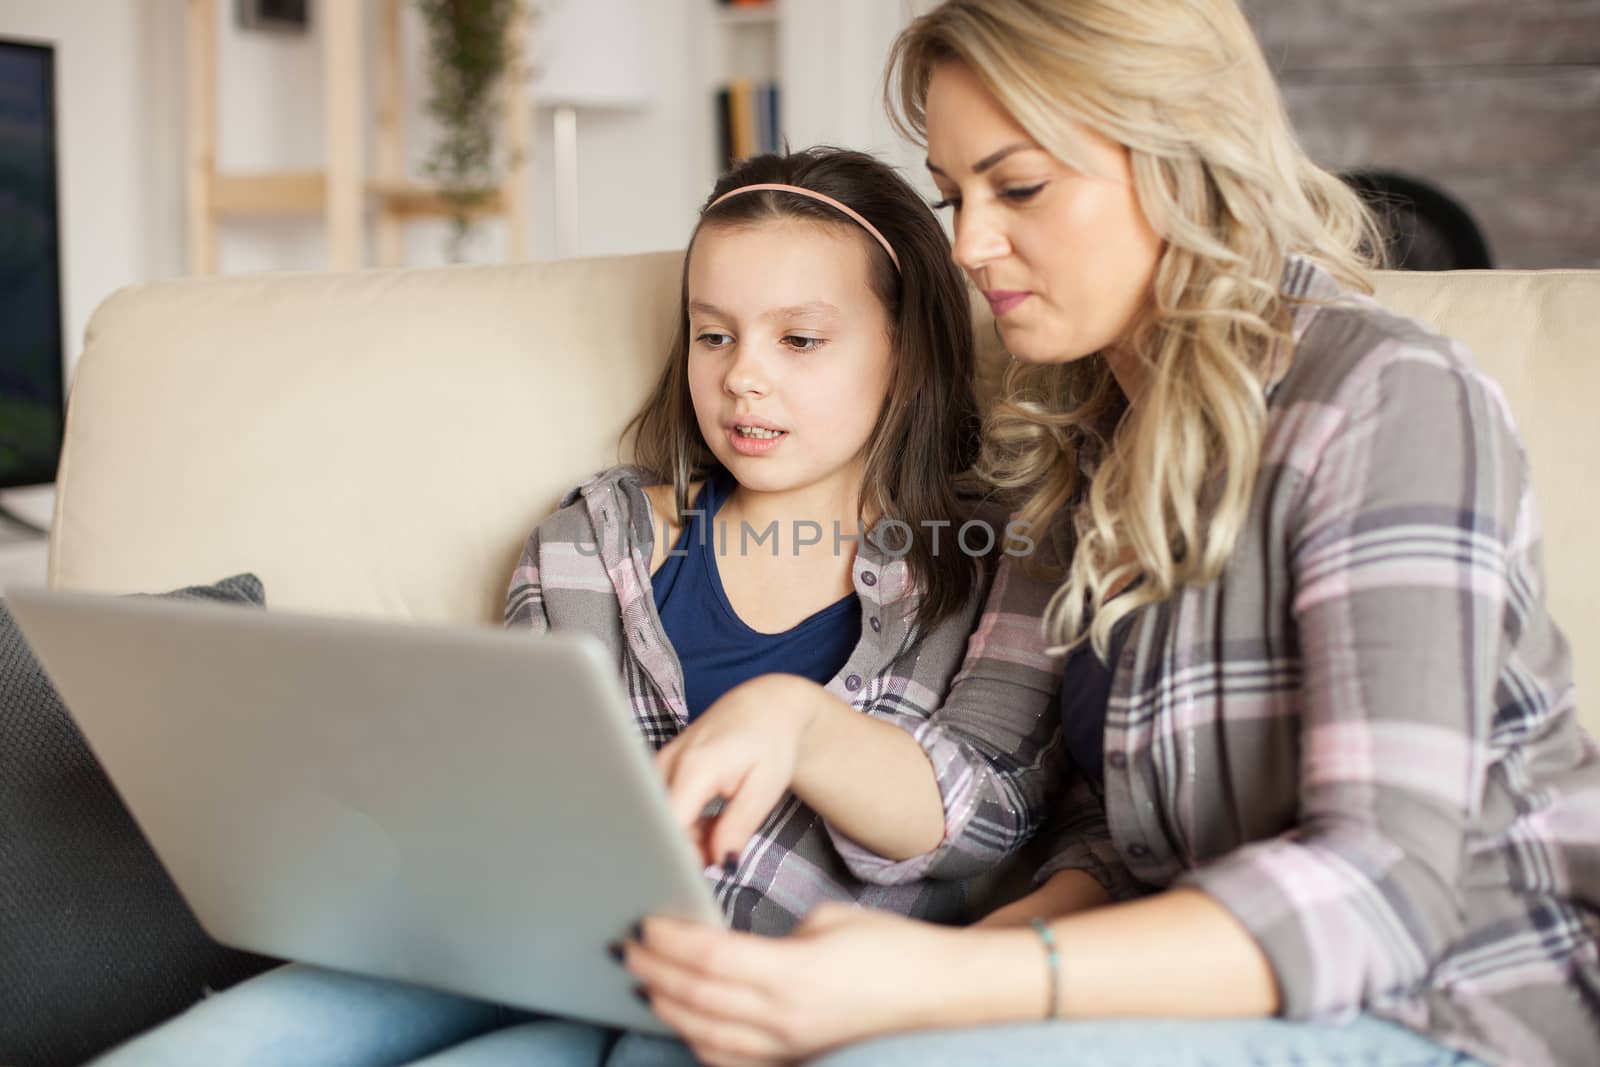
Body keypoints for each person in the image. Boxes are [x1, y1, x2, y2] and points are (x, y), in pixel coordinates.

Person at [619, 3, 1600, 1066]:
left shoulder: (1386, 399)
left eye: (1020, 186)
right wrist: (886, 987)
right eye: (955, 195)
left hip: (1451, 1007)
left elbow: (1382, 888)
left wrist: (946, 981)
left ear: (1179, 156)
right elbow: (1120, 837)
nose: (967, 244)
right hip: (1209, 1003)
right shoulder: (1082, 444)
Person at [89, 148, 1072, 1067]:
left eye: (800, 338)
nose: (743, 375)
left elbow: (981, 812)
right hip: (529, 949)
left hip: (750, 999)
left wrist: (797, 723)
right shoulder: (591, 542)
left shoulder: (998, 560)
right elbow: (516, 791)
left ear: (907, 351)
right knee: (235, 1037)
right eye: (713, 333)